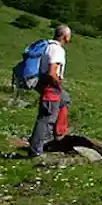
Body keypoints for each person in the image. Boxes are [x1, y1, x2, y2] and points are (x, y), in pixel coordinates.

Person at [27, 24, 73, 157]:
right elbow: (52, 71)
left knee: (64, 100)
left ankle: (59, 133)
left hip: (42, 82)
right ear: (66, 36)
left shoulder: (47, 46)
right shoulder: (57, 50)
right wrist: (57, 85)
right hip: (50, 85)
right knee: (46, 118)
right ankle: (36, 150)